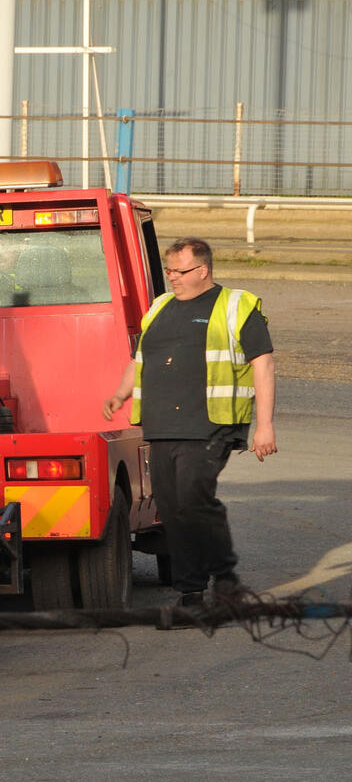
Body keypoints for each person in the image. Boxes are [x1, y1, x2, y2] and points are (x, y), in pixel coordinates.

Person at [102, 237, 276, 607]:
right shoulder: (160, 307)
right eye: (168, 271)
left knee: (195, 500)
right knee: (172, 506)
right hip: (162, 425)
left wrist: (265, 425)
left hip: (213, 424)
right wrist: (121, 393)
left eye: (179, 272)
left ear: (203, 270)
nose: (173, 278)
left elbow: (263, 364)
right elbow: (138, 360)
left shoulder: (236, 305)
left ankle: (222, 578)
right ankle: (191, 590)